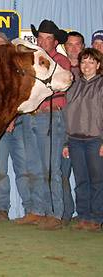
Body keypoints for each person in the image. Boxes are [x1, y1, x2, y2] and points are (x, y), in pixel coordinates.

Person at [16, 20, 71, 230]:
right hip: (31, 116)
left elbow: (62, 86)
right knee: (35, 166)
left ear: (55, 42)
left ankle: (56, 213)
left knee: (51, 167)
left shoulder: (61, 62)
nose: (43, 42)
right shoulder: (34, 61)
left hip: (50, 116)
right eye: (40, 38)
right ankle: (39, 211)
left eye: (48, 39)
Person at [0, 32, 31, 222]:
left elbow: (25, 96)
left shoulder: (19, 69)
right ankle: (2, 210)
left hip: (18, 122)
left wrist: (12, 116)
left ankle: (31, 209)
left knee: (24, 168)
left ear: (8, 47)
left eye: (1, 43)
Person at [63, 48, 103, 232]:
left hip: (95, 139)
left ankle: (96, 217)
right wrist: (66, 141)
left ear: (98, 65)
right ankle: (83, 216)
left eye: (91, 62)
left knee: (97, 180)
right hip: (75, 139)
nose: (86, 65)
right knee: (80, 180)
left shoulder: (101, 85)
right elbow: (67, 115)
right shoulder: (73, 85)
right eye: (83, 62)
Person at [61, 31, 85, 225]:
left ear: (83, 47)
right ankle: (66, 213)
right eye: (70, 44)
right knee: (62, 173)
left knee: (85, 175)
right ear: (65, 46)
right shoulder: (60, 69)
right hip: (63, 127)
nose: (74, 48)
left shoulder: (91, 71)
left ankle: (88, 216)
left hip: (86, 130)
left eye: (78, 44)